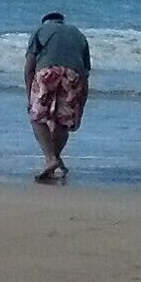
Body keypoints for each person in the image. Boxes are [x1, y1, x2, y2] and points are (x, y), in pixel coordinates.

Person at [23, 10, 91, 183]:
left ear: (45, 22)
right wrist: (80, 109)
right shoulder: (79, 35)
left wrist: (29, 96)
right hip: (73, 75)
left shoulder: (40, 32)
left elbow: (29, 67)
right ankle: (54, 159)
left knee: (37, 118)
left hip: (48, 72)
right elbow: (85, 74)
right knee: (63, 121)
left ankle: (50, 159)